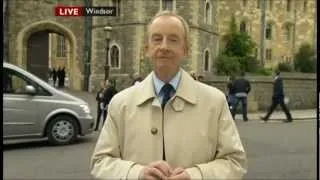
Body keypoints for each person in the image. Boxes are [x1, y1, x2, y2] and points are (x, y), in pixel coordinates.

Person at [90, 10, 247, 180]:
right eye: (157, 39)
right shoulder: (120, 103)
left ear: (185, 50)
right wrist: (137, 173)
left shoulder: (215, 102)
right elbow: (100, 162)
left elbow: (235, 162)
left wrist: (194, 176)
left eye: (173, 40)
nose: (164, 46)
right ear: (147, 49)